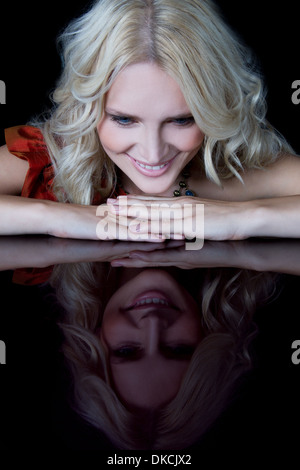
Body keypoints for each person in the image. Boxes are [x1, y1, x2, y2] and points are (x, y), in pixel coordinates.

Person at [0, 0, 299, 242]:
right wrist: (59, 218)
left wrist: (242, 219)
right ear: (88, 109)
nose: (152, 154)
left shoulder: (235, 170)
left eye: (182, 120)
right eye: (125, 119)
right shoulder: (50, 158)